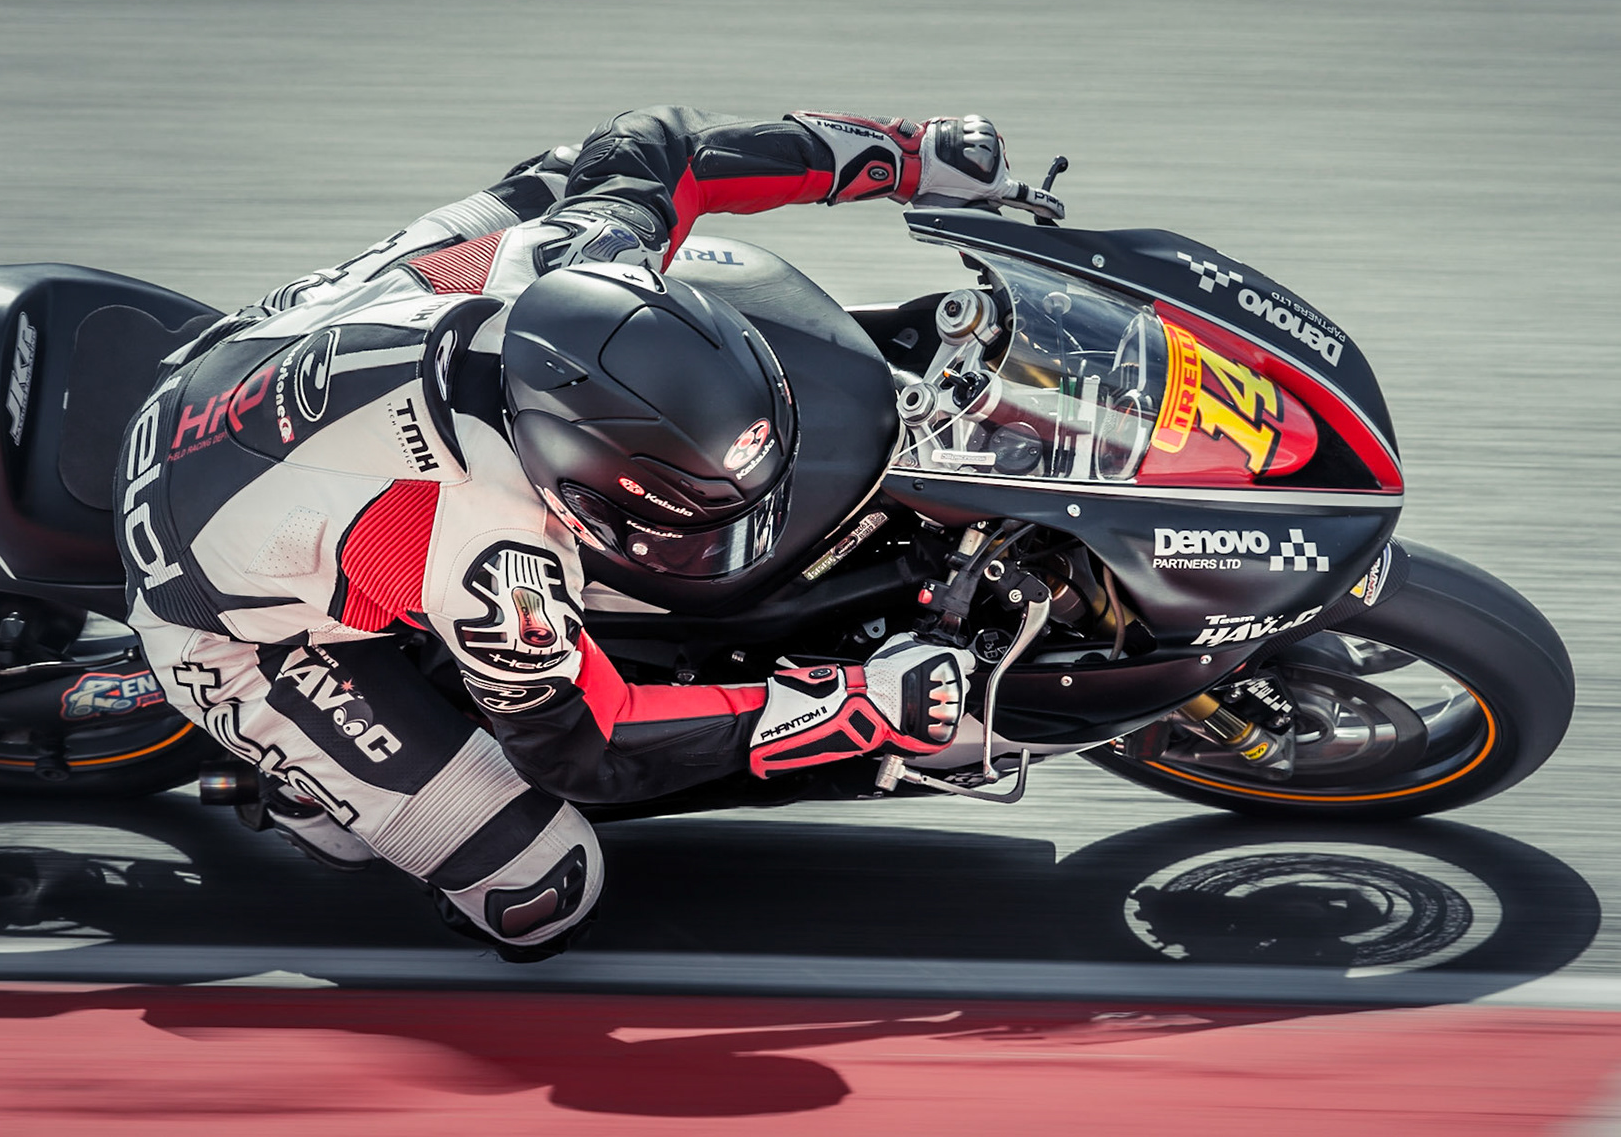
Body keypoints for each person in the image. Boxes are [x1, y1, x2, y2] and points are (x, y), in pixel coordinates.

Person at [116, 107, 1064, 959]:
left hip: (244, 365)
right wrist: (859, 703)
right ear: (569, 479)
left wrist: (905, 154)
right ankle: (305, 790)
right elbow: (588, 749)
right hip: (219, 620)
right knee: (546, 890)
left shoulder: (579, 257)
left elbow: (662, 146)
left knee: (562, 174)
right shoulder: (495, 552)